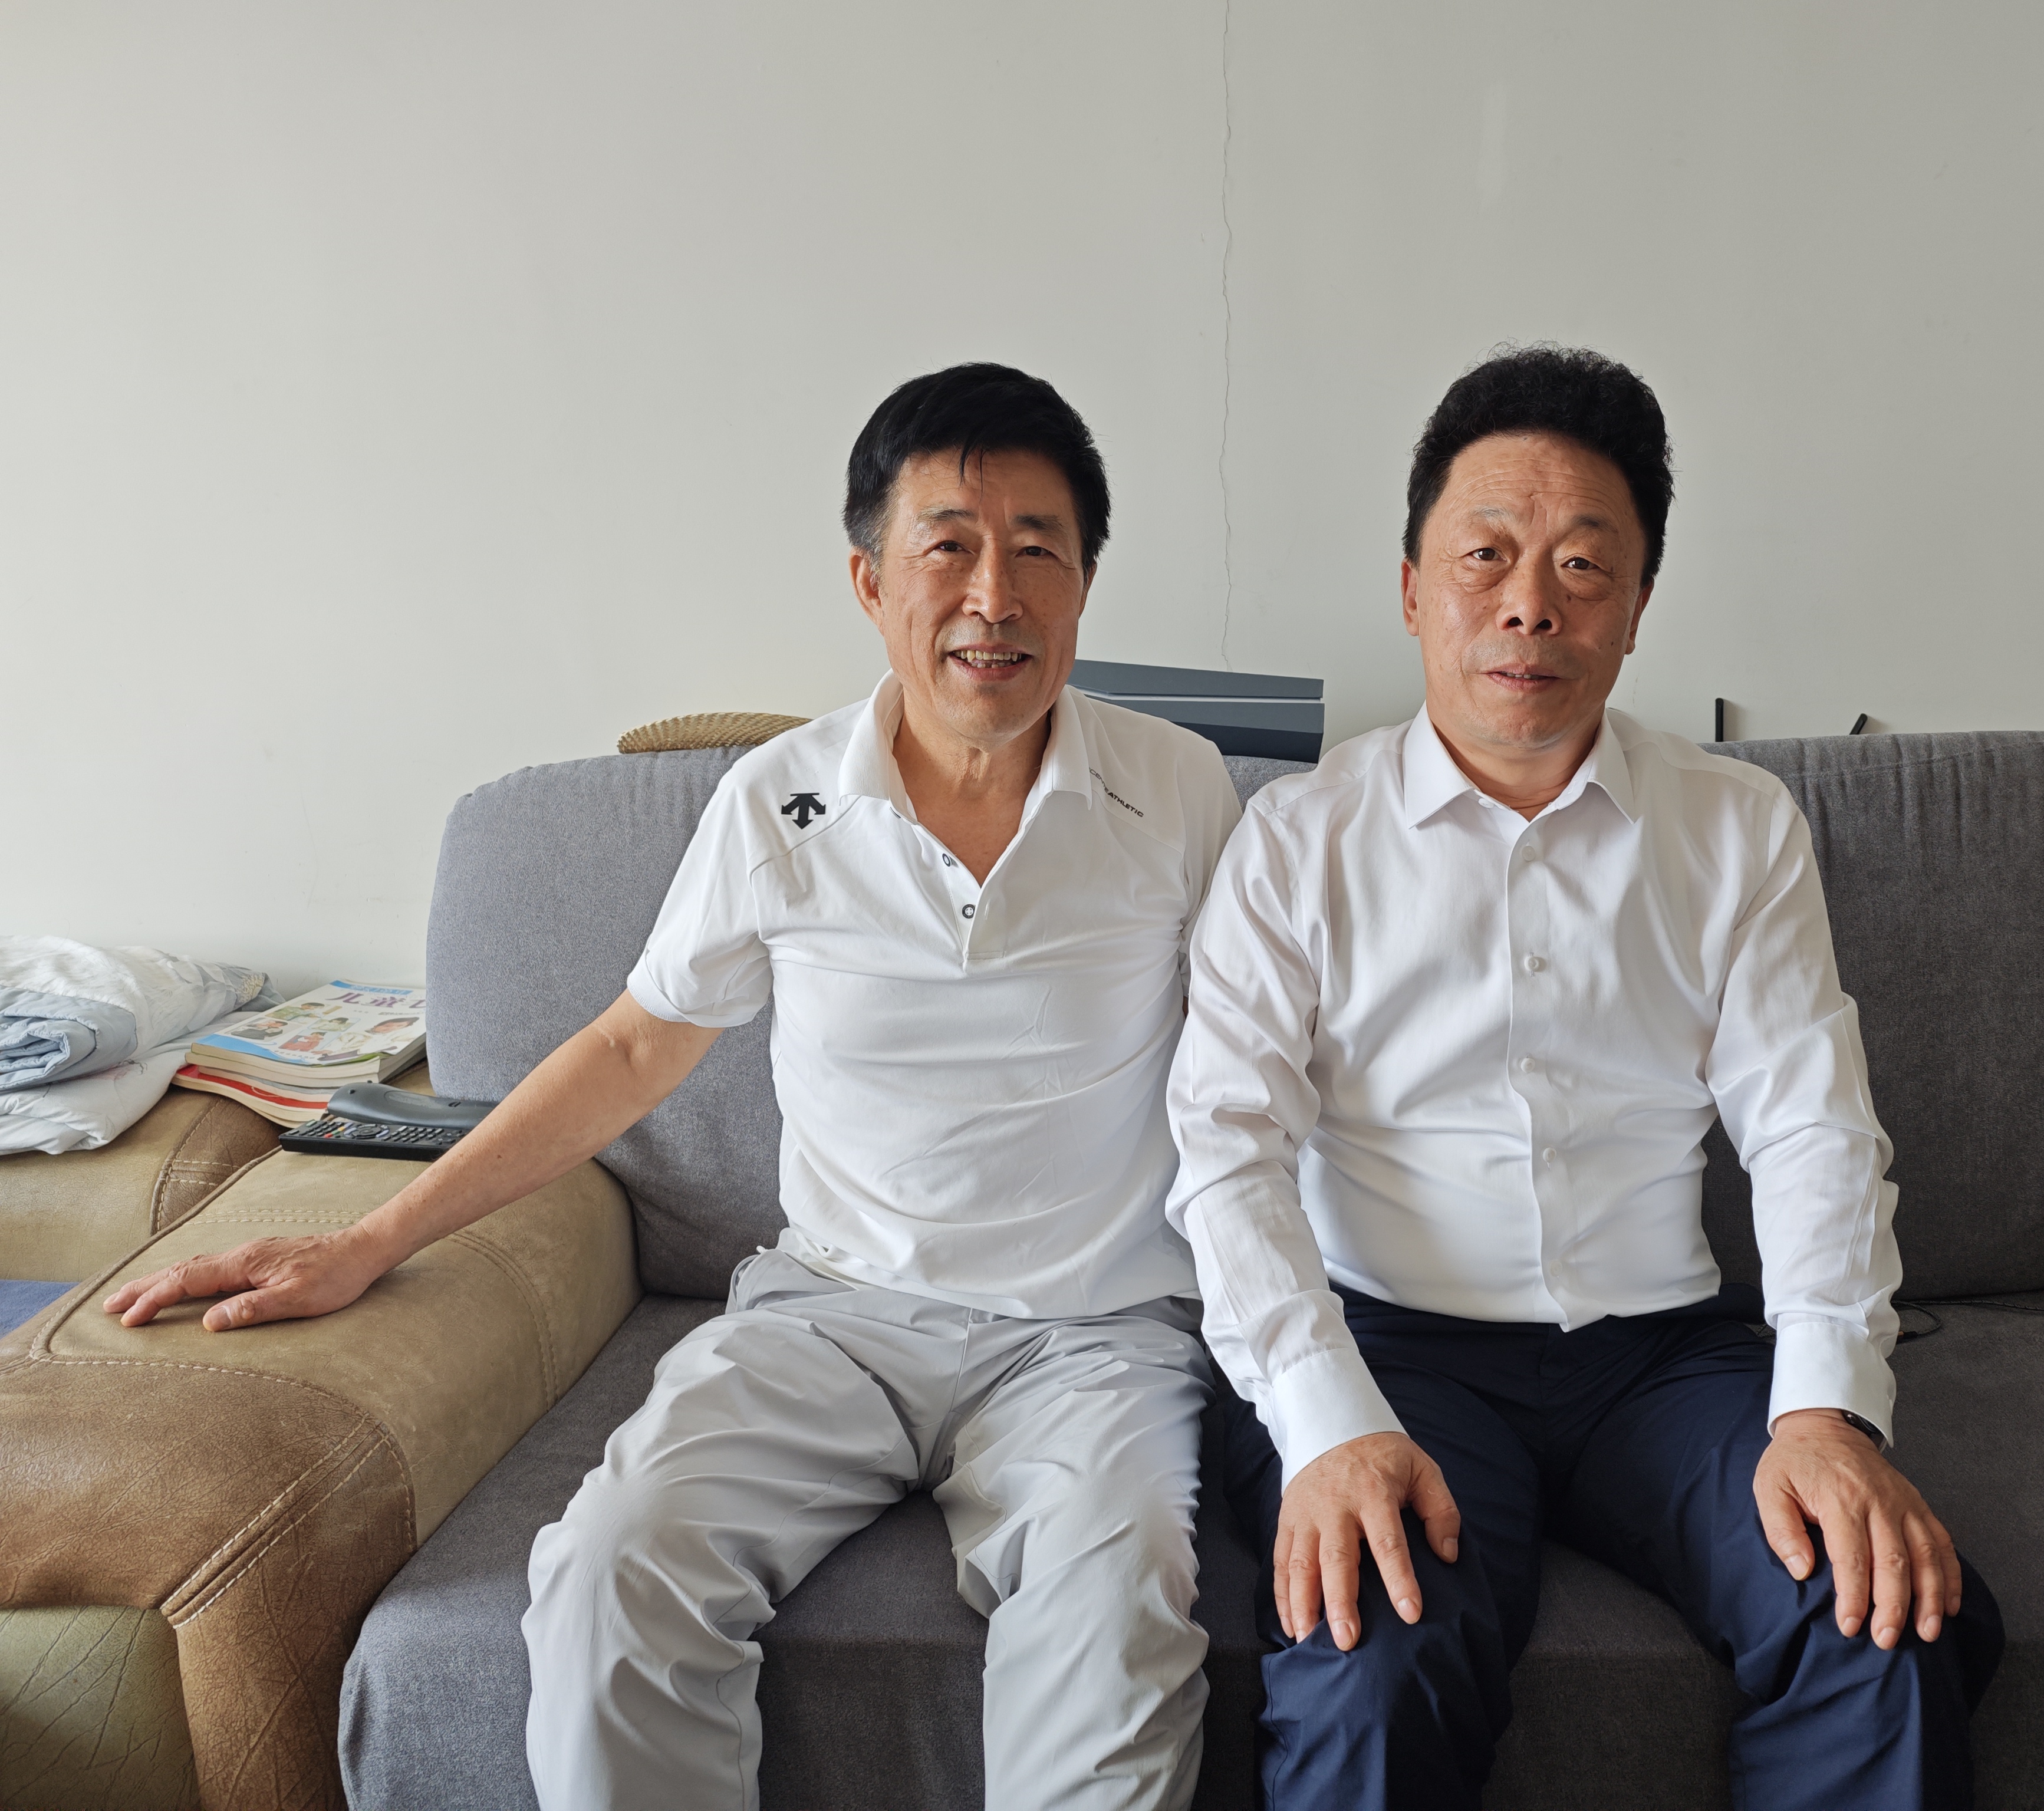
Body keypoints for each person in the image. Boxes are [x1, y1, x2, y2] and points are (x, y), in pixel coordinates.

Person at [107, 363, 1243, 1811]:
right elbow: (632, 1050)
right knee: (607, 1573)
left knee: (1117, 1621)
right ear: (869, 579)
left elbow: (1260, 1077)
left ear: (1083, 585)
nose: (993, 595)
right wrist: (369, 1241)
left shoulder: (1180, 790)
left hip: (1091, 1338)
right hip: (830, 1315)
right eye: (948, 545)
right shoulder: (778, 801)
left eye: (1038, 549)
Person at [1166, 345, 2003, 1810]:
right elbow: (1225, 1151)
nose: (1527, 605)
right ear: (1412, 587)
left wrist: (1822, 1410)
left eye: (1580, 567)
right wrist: (1327, 1424)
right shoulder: (1295, 839)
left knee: (1879, 1618)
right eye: (1484, 556)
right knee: (1372, 1662)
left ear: (1635, 607)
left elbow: (1810, 1130)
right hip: (1387, 1347)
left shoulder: (1736, 828)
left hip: (1658, 1362)